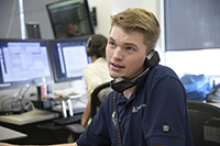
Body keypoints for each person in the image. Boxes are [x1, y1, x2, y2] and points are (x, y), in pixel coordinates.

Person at [1, 8, 194, 146]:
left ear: (150, 56)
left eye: (129, 48)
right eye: (112, 43)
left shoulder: (162, 83)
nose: (116, 55)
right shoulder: (114, 99)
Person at [81, 34, 112, 128]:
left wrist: (84, 121)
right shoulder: (114, 66)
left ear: (89, 51)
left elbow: (95, 94)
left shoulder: (90, 69)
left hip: (100, 124)